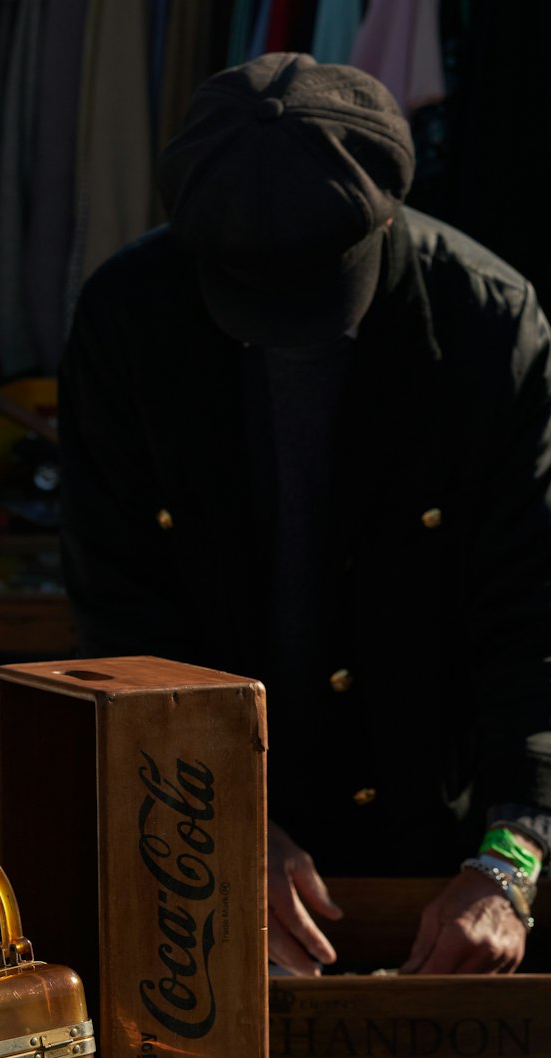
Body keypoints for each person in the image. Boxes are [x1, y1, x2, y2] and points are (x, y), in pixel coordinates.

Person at [58, 50, 551, 981]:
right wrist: (220, 822)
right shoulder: (128, 322)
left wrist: (508, 861)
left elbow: (532, 627)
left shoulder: (490, 329)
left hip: (431, 843)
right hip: (193, 846)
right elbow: (118, 617)